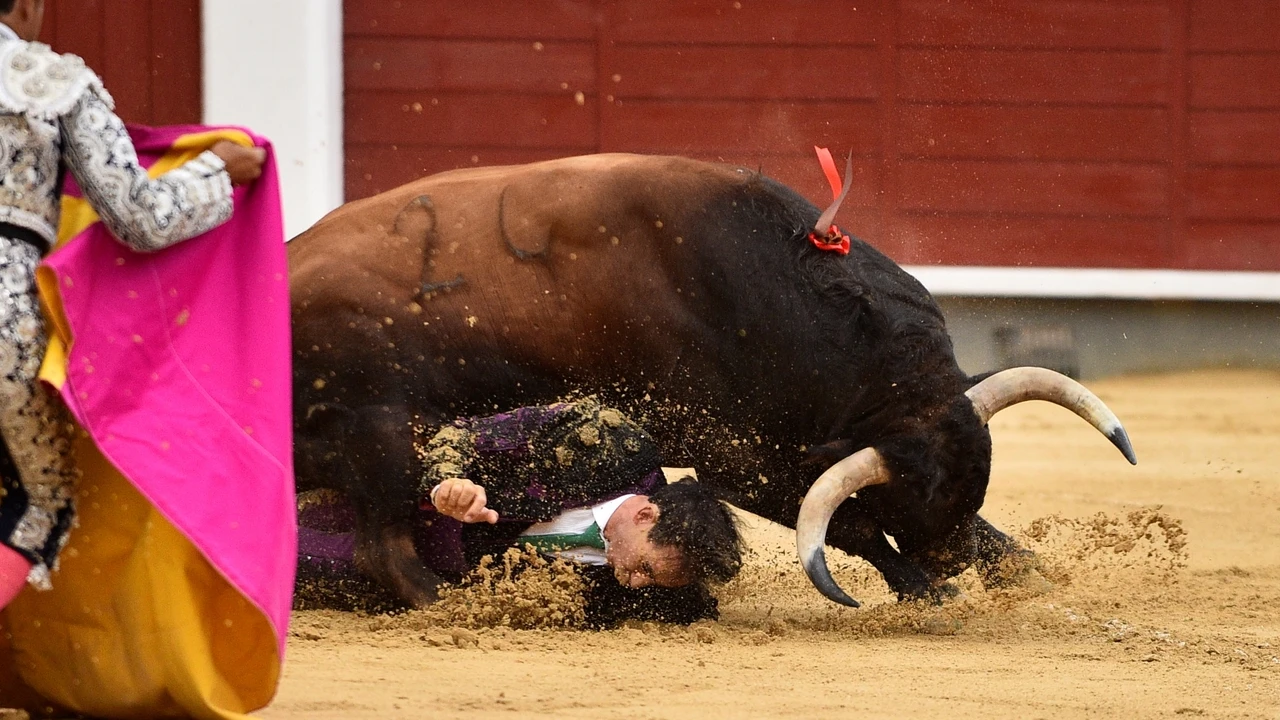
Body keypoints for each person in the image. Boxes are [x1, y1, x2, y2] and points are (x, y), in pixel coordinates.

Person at [0, 0, 267, 609]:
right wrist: (216, 172)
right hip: (4, 311)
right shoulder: (51, 84)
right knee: (39, 499)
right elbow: (138, 218)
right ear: (25, 3)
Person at [297, 398, 744, 625]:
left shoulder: (662, 580)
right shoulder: (607, 444)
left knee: (277, 559)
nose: (636, 583)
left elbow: (692, 604)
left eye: (653, 581)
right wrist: (449, 482)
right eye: (646, 566)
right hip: (397, 504)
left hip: (416, 574)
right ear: (646, 515)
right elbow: (464, 433)